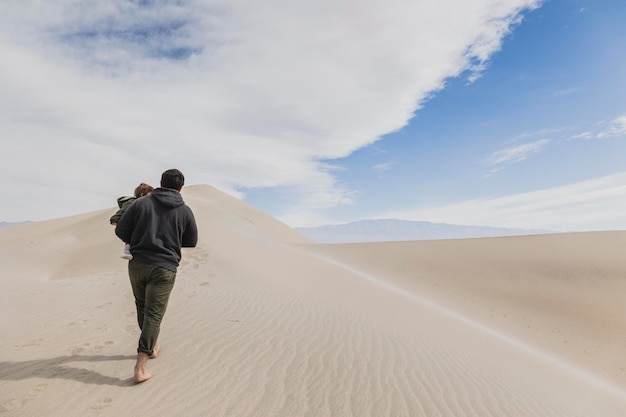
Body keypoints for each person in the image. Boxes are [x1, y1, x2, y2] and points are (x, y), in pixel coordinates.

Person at [115, 169, 198, 383]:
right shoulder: (185, 210)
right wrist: (169, 239)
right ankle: (140, 368)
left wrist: (142, 238)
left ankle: (150, 348)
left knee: (142, 307)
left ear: (160, 182)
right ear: (180, 187)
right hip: (164, 267)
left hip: (138, 263)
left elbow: (121, 230)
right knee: (153, 314)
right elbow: (191, 240)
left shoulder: (140, 204)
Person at [110, 183, 154, 260]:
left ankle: (128, 251)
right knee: (129, 241)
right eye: (149, 195)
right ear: (142, 194)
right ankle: (127, 252)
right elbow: (121, 212)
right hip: (131, 227)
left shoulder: (143, 205)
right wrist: (115, 220)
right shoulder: (132, 202)